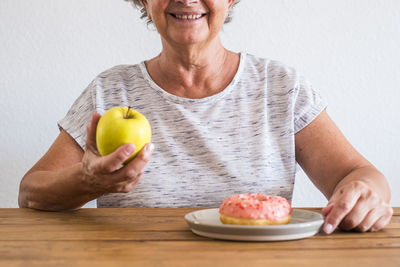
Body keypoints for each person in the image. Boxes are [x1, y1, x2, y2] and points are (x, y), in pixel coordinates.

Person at [18, 0, 393, 235]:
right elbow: (31, 191)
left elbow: (358, 175)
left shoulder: (281, 87)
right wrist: (88, 181)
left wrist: (367, 194)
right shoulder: (110, 91)